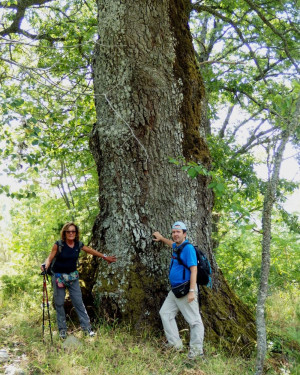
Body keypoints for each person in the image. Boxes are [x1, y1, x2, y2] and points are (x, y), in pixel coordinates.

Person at [41, 222, 117, 339]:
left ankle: (87, 329)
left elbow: (90, 251)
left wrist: (104, 256)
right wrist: (45, 266)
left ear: (76, 233)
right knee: (60, 303)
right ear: (64, 233)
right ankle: (62, 330)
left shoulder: (78, 245)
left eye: (73, 231)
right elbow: (50, 258)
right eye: (68, 231)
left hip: (73, 277)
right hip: (59, 277)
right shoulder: (59, 245)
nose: (71, 233)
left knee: (78, 302)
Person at [153, 221, 204, 360]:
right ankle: (175, 346)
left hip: (186, 290)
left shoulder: (188, 249)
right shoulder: (178, 246)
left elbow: (194, 270)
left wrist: (192, 291)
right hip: (175, 291)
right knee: (165, 313)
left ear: (185, 234)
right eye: (174, 232)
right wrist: (162, 238)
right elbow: (171, 244)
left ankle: (196, 353)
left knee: (194, 322)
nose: (175, 234)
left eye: (178, 232)